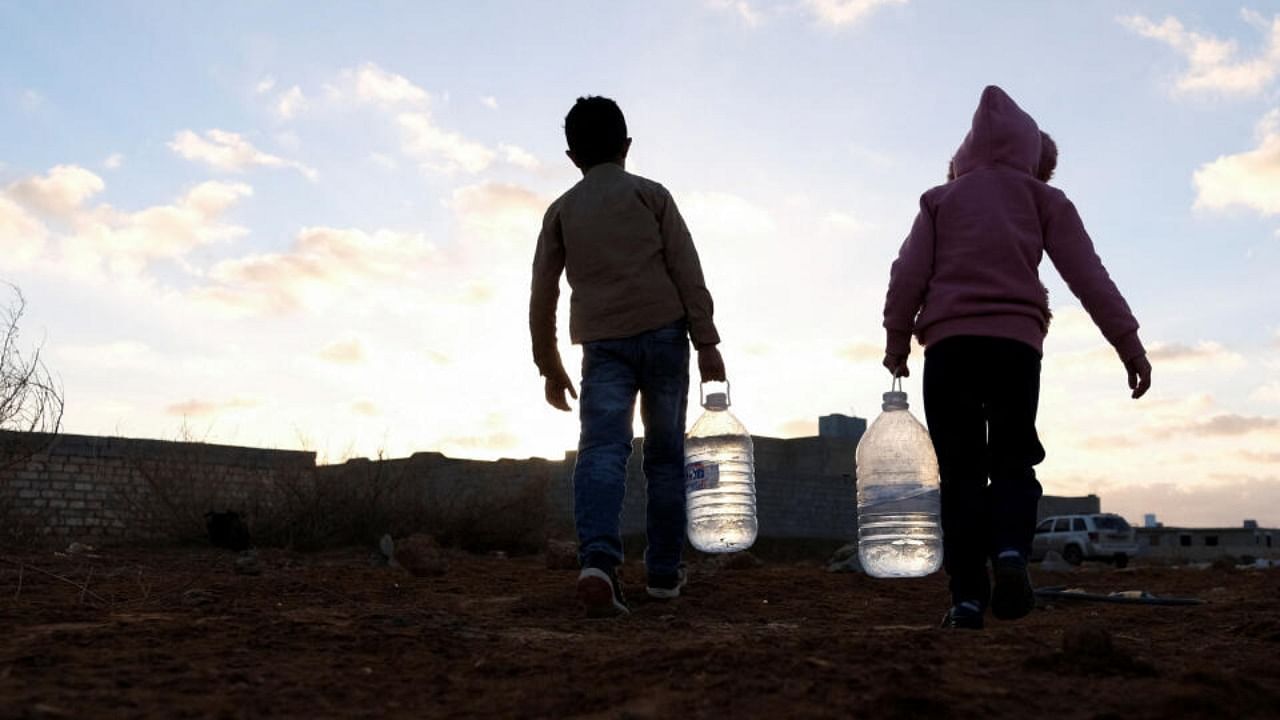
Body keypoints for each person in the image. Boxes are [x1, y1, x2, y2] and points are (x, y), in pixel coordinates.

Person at [881, 86, 1152, 630]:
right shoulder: (1044, 199)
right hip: (1015, 347)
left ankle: (965, 600)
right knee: (1012, 458)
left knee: (959, 473)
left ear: (967, 150)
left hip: (949, 348)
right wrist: (1129, 344)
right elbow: (1088, 276)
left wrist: (896, 342)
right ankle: (1009, 554)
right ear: (1032, 154)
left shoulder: (940, 200)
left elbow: (907, 274)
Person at [529, 96, 727, 617]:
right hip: (665, 337)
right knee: (664, 458)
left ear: (572, 156)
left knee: (601, 450)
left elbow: (542, 293)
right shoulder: (652, 196)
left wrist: (548, 362)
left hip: (603, 346)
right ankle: (663, 572)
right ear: (627, 146)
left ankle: (598, 561)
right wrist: (707, 344)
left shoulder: (562, 211)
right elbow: (688, 271)